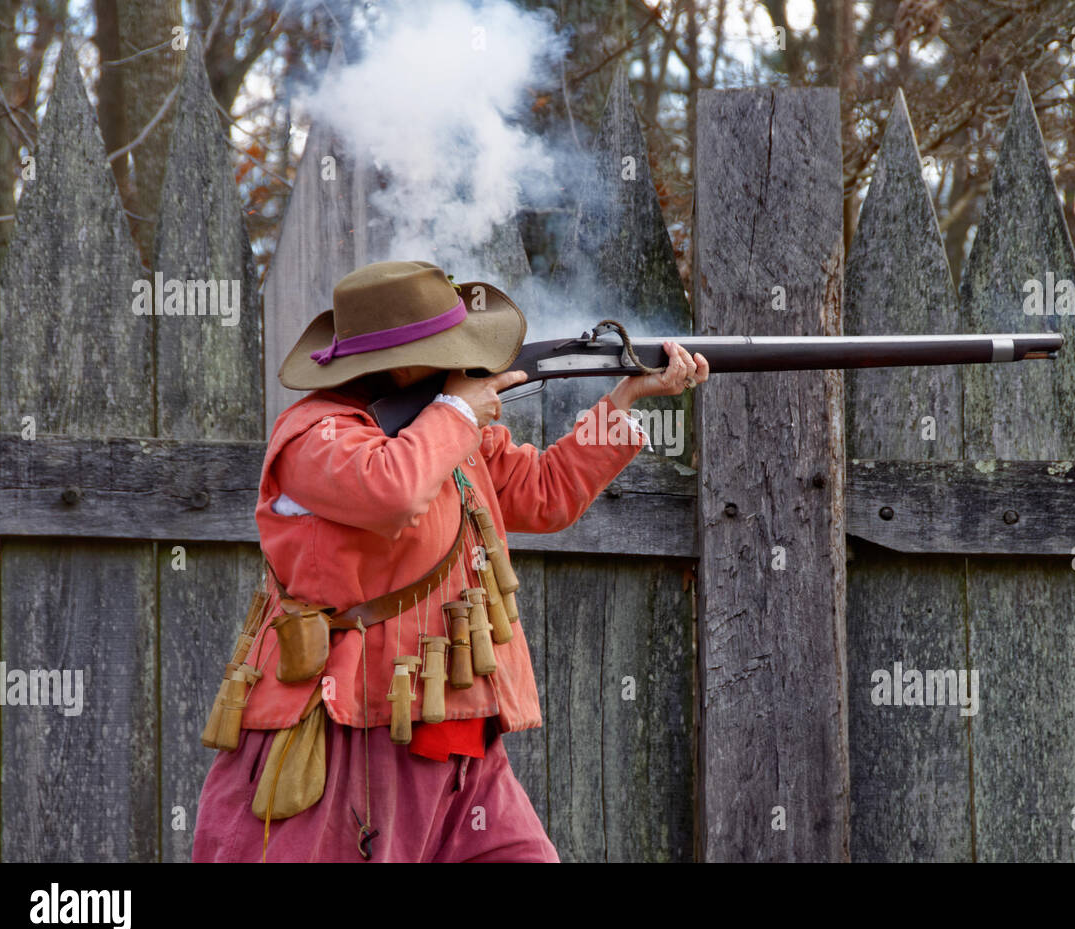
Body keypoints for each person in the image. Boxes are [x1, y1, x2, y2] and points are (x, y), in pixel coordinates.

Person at [192, 260, 708, 862]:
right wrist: (457, 413)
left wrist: (626, 399)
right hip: (355, 732)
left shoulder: (442, 428)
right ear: (402, 364)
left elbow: (544, 494)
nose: (466, 360)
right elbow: (393, 491)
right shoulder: (316, 434)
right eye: (450, 348)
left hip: (461, 727)